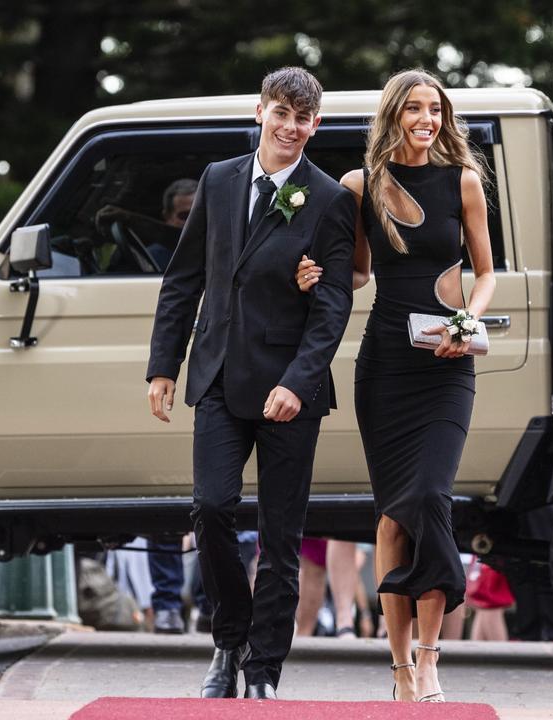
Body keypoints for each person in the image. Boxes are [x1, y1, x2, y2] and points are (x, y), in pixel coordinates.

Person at [146, 66, 357, 700]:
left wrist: (299, 380)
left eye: (303, 119)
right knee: (210, 508)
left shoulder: (330, 200)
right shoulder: (218, 179)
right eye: (281, 114)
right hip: (216, 375)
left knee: (281, 536)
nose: (291, 127)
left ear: (316, 126)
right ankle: (228, 641)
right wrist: (164, 365)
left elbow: (334, 306)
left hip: (290, 390)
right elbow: (185, 279)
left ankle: (264, 668)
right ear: (260, 112)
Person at [296, 69, 495, 702]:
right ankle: (401, 667)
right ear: (394, 115)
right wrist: (313, 274)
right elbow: (355, 274)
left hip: (446, 365)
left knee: (432, 498)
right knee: (391, 517)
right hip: (384, 367)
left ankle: (432, 657)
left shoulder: (463, 180)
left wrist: (470, 319)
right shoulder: (362, 186)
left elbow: (485, 271)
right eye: (414, 108)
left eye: (435, 109)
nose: (426, 119)